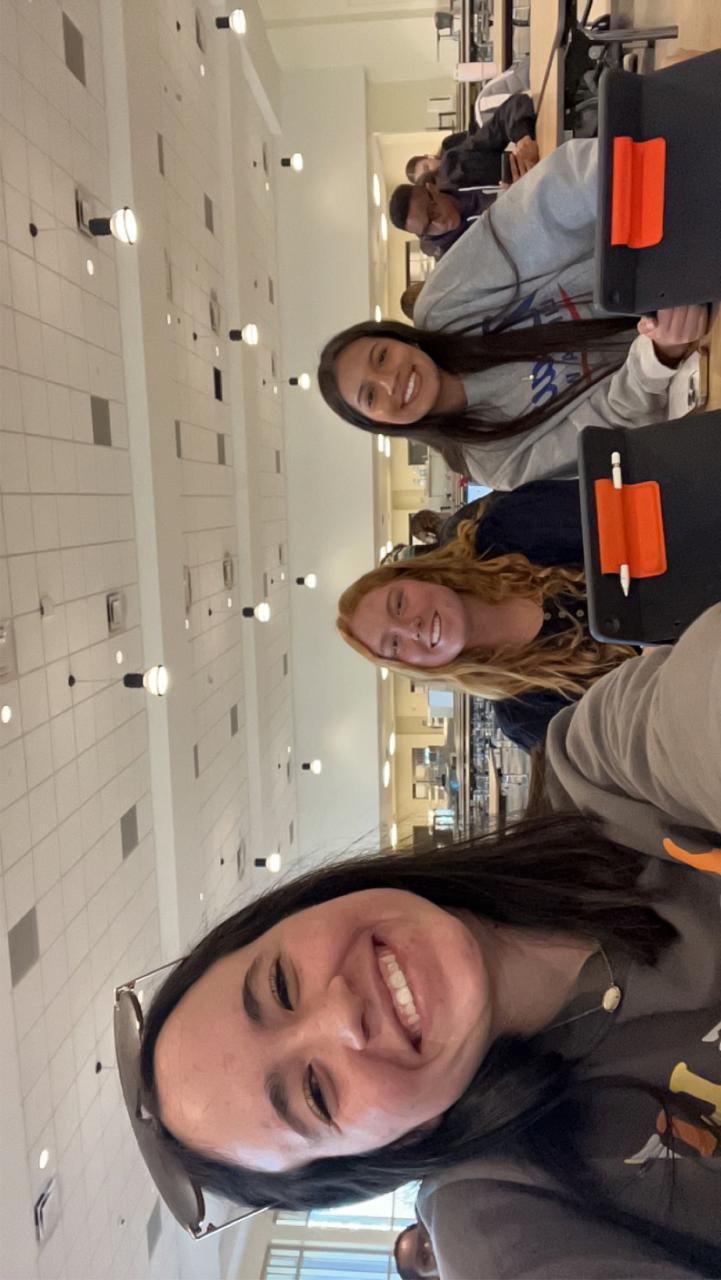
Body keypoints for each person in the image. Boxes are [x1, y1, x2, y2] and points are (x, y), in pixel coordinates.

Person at [134, 604, 721, 1277]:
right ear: (393, 1147)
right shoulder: (502, 1214)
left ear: (302, 907)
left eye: (281, 985)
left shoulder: (600, 775)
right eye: (316, 1094)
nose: (340, 1014)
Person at [318, 139, 709, 490]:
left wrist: (634, 180)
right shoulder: (492, 461)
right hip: (700, 357)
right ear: (380, 424)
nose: (390, 381)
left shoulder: (444, 305)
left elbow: (544, 208)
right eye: (371, 396)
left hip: (676, 237)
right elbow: (611, 424)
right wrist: (658, 356)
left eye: (381, 357)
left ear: (399, 339)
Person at [335, 480, 634, 749]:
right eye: (394, 644)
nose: (411, 628)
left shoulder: (511, 528)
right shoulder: (526, 716)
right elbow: (633, 748)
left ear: (417, 575)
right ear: (411, 666)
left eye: (399, 604)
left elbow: (631, 514)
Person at [406, 92, 538, 189]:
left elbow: (502, 120)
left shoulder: (457, 158)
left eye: (426, 167)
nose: (431, 173)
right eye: (426, 180)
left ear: (429, 157)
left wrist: (522, 137)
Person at [389, 180, 493, 261]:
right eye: (428, 229)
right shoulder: (456, 260)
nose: (439, 224)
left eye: (432, 211)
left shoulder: (463, 169)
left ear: (432, 188)